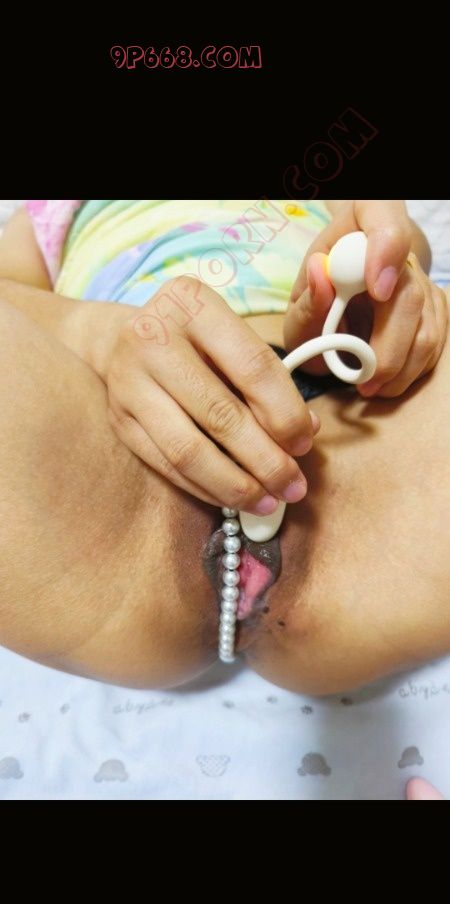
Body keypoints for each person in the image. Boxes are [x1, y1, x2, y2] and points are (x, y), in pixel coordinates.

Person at [0, 199, 447, 704]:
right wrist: (97, 333)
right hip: (123, 471)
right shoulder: (47, 211)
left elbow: (397, 240)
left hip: (351, 432)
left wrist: (396, 276)